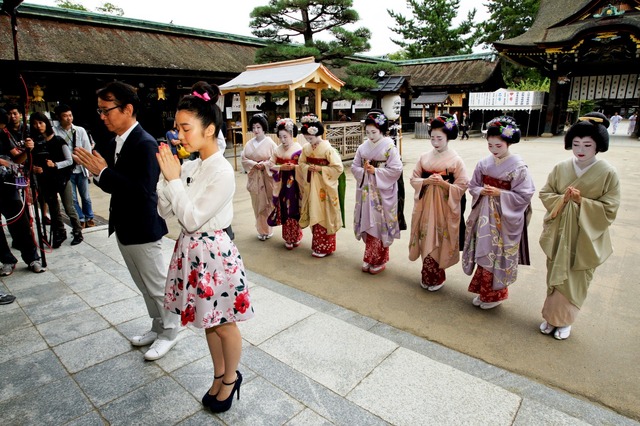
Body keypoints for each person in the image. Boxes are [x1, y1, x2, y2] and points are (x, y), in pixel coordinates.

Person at [157, 81, 253, 413]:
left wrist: (172, 181)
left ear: (209, 129)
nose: (179, 135)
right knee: (209, 320)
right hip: (191, 251)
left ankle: (231, 378)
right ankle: (219, 374)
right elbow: (166, 211)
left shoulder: (222, 171)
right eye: (177, 128)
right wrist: (165, 177)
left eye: (185, 128)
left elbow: (194, 218)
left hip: (213, 253)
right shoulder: (191, 165)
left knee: (225, 322)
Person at [73, 81, 180, 361]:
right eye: (100, 111)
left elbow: (143, 191)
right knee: (143, 285)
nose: (102, 116)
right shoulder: (116, 141)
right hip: (125, 227)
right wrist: (100, 172)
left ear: (128, 109)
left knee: (157, 286)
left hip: (144, 228)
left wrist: (104, 172)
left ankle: (170, 332)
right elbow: (113, 182)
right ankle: (157, 327)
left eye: (106, 110)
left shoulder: (145, 143)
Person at [539, 112, 620, 340]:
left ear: (598, 146)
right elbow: (546, 193)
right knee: (555, 272)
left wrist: (580, 201)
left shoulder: (608, 173)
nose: (580, 149)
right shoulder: (561, 167)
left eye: (587, 144)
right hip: (560, 232)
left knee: (575, 277)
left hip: (585, 237)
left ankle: (565, 321)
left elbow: (610, 208)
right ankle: (550, 317)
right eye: (575, 144)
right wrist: (563, 199)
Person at [462, 116, 535, 309]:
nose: (494, 150)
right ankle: (483, 292)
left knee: (497, 253)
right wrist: (480, 191)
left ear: (508, 143)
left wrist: (500, 193)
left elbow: (525, 194)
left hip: (503, 218)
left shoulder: (519, 167)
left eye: (498, 146)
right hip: (484, 214)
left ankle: (495, 295)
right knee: (484, 249)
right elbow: (473, 185)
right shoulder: (484, 163)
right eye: (490, 145)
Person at [409, 114, 468, 291]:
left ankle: (437, 277)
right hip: (426, 205)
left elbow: (463, 184)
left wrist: (443, 184)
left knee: (440, 238)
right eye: (433, 137)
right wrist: (426, 182)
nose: (435, 141)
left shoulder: (456, 160)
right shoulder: (424, 157)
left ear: (448, 137)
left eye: (439, 138)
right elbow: (414, 178)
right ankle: (427, 275)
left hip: (444, 206)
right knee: (425, 235)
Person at [352, 111, 403, 274]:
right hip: (367, 190)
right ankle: (369, 257)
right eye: (367, 132)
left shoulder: (389, 146)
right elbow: (354, 167)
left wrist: (376, 171)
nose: (371, 136)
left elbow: (396, 169)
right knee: (368, 221)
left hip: (382, 192)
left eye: (374, 132)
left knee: (380, 223)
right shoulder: (362, 147)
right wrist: (365, 171)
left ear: (382, 130)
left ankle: (379, 259)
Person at [0, 108, 45, 275]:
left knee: (20, 223)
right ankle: (6, 259)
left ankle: (32, 257)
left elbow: (16, 160)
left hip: (8, 184)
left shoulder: (3, 135)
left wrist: (27, 151)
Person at [29, 112, 83, 248]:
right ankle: (60, 232)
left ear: (46, 123)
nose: (38, 126)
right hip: (46, 180)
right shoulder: (34, 143)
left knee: (69, 207)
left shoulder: (58, 140)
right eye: (35, 123)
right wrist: (34, 168)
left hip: (62, 179)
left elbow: (70, 160)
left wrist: (55, 165)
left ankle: (77, 232)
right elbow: (31, 161)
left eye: (41, 122)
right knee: (54, 210)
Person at [298, 114, 344, 258]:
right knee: (314, 210)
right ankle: (317, 245)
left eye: (311, 138)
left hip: (324, 186)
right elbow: (301, 163)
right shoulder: (306, 148)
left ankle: (326, 247)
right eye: (306, 138)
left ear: (318, 134)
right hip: (312, 185)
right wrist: (307, 168)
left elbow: (338, 168)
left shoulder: (327, 149)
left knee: (325, 213)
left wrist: (320, 169)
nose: (309, 141)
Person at [54, 104, 95, 229]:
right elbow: (56, 151)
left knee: (86, 196)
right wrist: (72, 158)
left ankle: (89, 217)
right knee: (73, 198)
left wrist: (89, 166)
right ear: (59, 118)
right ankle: (80, 218)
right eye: (65, 116)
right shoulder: (55, 132)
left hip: (81, 168)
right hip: (66, 169)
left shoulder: (80, 130)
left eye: (70, 115)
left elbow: (87, 149)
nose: (68, 118)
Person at [267, 118, 304, 249]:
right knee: (284, 208)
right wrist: (281, 168)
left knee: (294, 208)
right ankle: (288, 237)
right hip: (282, 182)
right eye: (281, 137)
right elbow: (270, 164)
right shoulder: (277, 150)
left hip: (295, 184)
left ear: (292, 135)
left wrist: (294, 167)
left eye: (285, 137)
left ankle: (296, 236)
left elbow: (303, 166)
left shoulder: (299, 148)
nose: (283, 140)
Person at [241, 113, 277, 241]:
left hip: (266, 177)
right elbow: (244, 159)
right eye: (254, 127)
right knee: (256, 203)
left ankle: (267, 229)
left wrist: (265, 164)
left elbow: (275, 159)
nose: (255, 130)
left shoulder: (270, 143)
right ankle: (261, 230)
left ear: (264, 128)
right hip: (254, 177)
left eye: (258, 127)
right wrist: (254, 164)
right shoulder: (249, 143)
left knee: (267, 203)